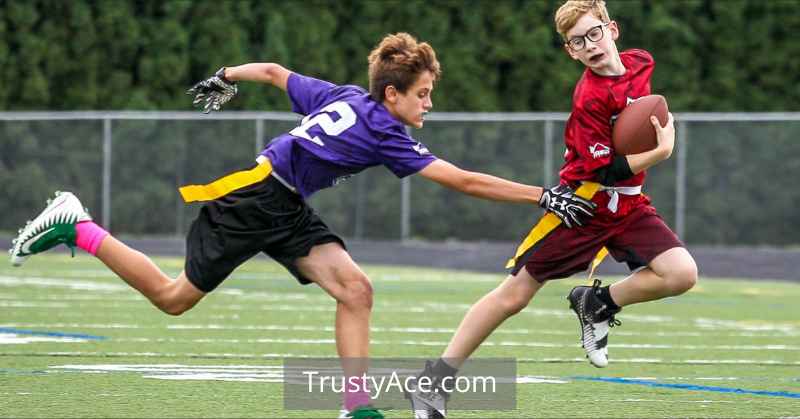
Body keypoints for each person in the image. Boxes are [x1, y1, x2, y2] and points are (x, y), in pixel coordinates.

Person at [8, 33, 595, 419]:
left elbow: (271, 69)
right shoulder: (386, 131)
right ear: (391, 94)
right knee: (173, 297)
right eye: (422, 94)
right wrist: (543, 195)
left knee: (356, 290)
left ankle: (356, 404)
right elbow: (464, 180)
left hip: (285, 206)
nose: (428, 105)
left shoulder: (343, 94)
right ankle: (77, 224)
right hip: (256, 200)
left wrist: (225, 74)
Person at [405, 1, 699, 417]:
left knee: (682, 273)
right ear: (570, 52)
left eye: (594, 33)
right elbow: (606, 169)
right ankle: (433, 383)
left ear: (612, 30)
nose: (590, 45)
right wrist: (660, 151)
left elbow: (635, 123)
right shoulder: (589, 97)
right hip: (583, 204)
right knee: (514, 295)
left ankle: (598, 303)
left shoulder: (641, 63)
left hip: (629, 205)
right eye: (577, 41)